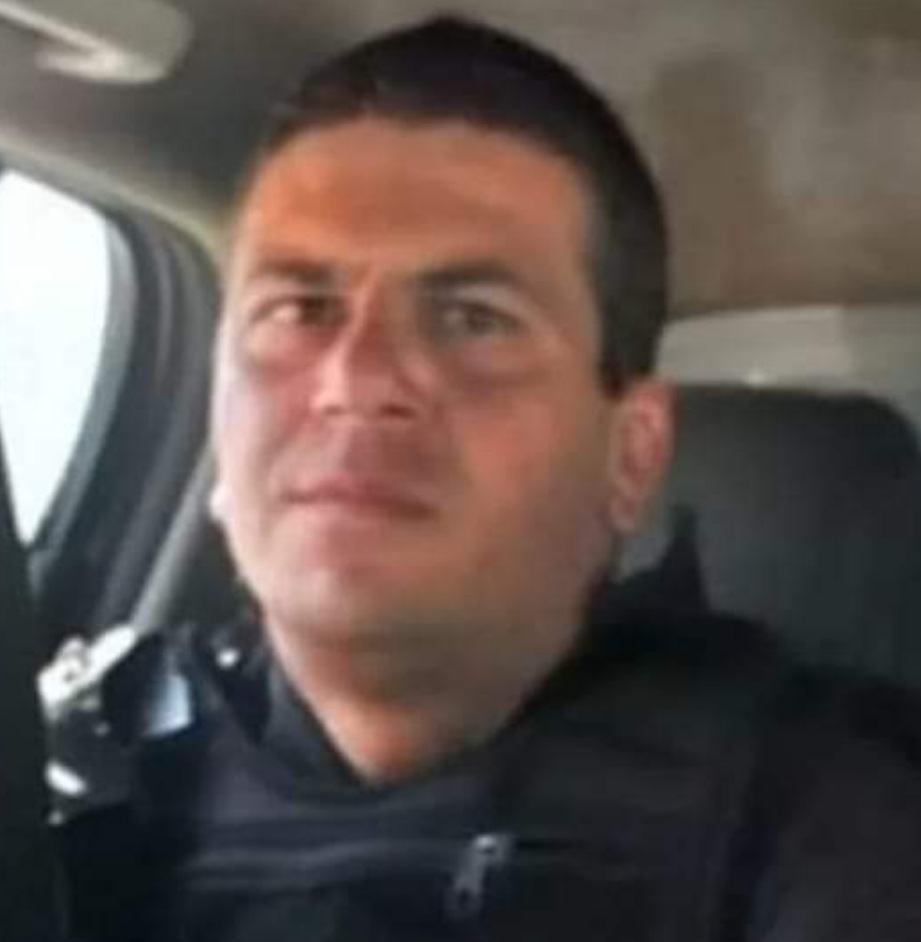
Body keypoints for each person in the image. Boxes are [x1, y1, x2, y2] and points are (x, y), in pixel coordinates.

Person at [66, 15, 921, 942]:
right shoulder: (90, 762)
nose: (354, 380)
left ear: (630, 453)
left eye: (473, 319)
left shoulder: (814, 821)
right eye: (300, 308)